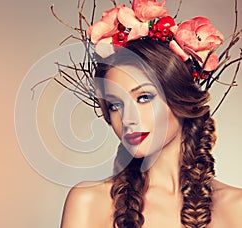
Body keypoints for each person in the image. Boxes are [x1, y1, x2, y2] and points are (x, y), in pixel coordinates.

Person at [58, 1, 242, 227]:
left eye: (144, 98)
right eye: (116, 105)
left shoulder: (235, 207)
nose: (128, 119)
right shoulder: (89, 202)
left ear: (181, 99)